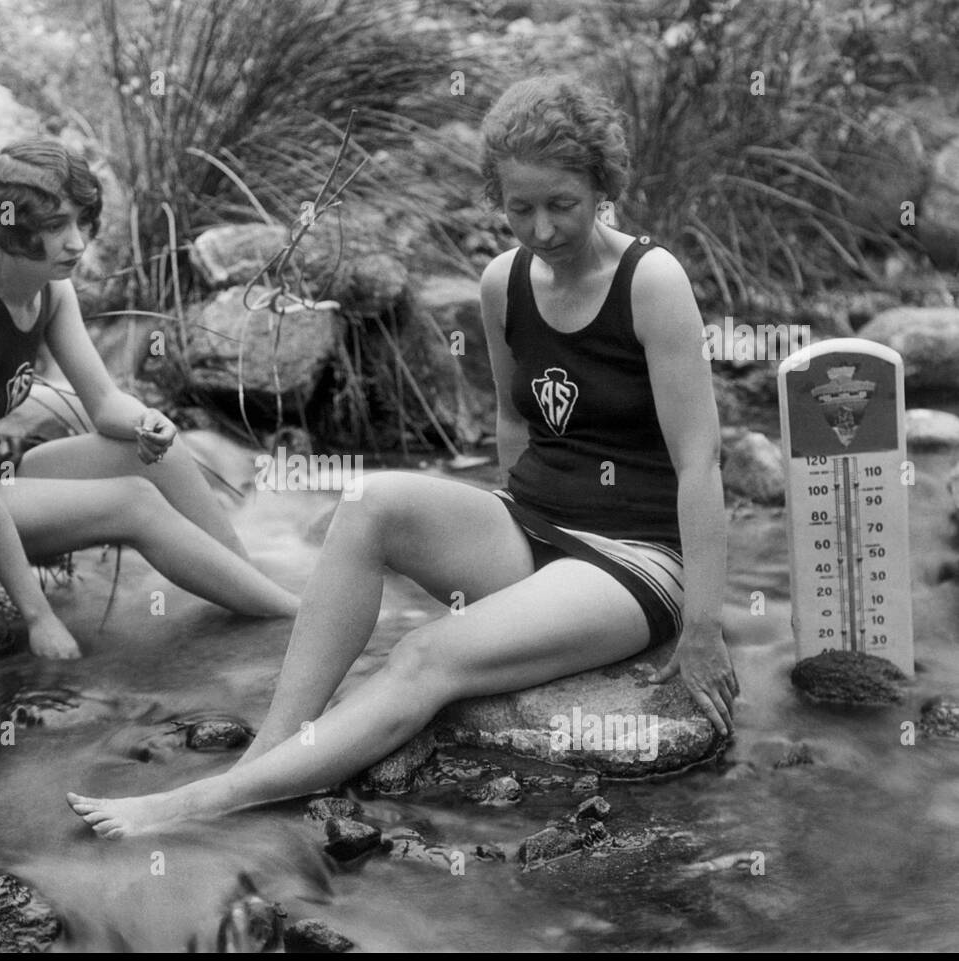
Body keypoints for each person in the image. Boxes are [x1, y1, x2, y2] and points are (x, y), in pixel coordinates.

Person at [68, 75, 738, 836]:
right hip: (534, 526)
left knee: (425, 654)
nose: (543, 228)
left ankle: (206, 803)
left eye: (563, 204)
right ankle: (269, 747)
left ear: (603, 187)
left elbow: (701, 462)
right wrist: (499, 555)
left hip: (635, 558)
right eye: (520, 208)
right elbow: (513, 424)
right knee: (369, 501)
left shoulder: (651, 281)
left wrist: (703, 627)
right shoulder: (503, 282)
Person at [0, 139, 298, 659]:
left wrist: (148, 422)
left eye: (82, 222)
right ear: (12, 226)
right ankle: (299, 618)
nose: (77, 243)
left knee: (157, 453)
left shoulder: (50, 288)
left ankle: (253, 592)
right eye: (56, 226)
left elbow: (106, 405)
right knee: (133, 502)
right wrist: (39, 619)